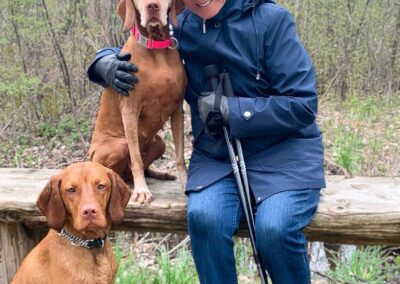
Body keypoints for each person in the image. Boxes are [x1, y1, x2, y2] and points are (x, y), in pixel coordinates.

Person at [87, 0, 326, 283]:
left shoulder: (269, 19)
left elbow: (303, 104)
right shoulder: (180, 24)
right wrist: (101, 63)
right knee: (205, 219)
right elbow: (139, 45)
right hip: (218, 156)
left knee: (275, 228)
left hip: (283, 154)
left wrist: (234, 111)